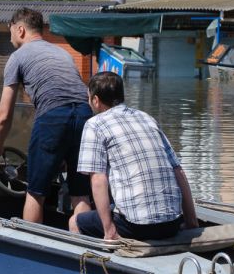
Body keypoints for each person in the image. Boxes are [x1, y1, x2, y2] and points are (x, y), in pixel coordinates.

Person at [0, 7, 93, 224]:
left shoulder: (17, 57)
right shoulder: (62, 53)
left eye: (10, 33)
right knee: (80, 192)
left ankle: (31, 246)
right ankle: (86, 247)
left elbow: (4, 114)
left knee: (36, 192)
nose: (10, 39)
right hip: (85, 115)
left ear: (20, 30)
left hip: (53, 115)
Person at [69, 71, 197, 241]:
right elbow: (178, 171)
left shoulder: (95, 124)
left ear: (95, 100)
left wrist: (109, 230)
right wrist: (191, 222)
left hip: (137, 226)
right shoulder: (146, 118)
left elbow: (99, 180)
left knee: (75, 222)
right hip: (172, 223)